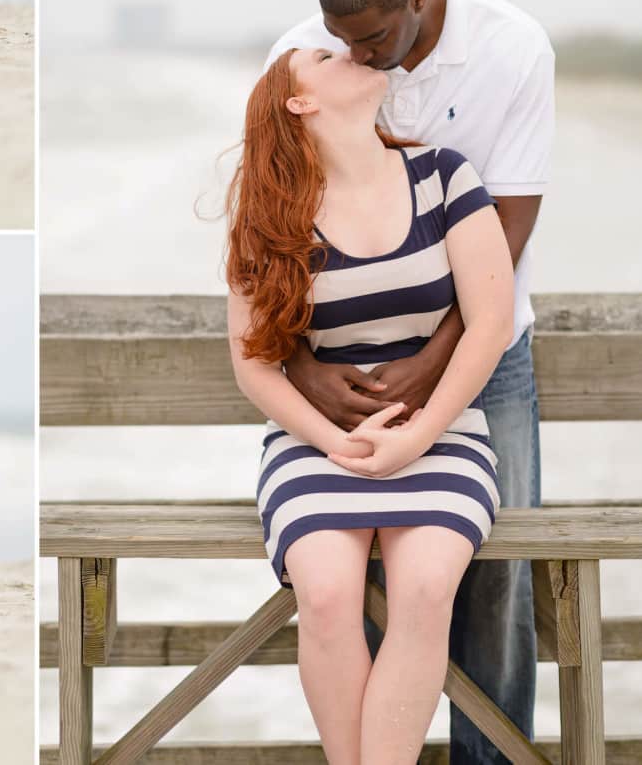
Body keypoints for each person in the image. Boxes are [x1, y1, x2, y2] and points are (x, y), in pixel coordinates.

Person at [263, 0, 554, 763]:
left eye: (372, 38)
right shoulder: (309, 55)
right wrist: (302, 367)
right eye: (338, 42)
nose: (354, 56)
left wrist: (436, 364)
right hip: (343, 379)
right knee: (345, 583)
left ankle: (490, 758)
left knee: (495, 578)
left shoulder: (512, 47)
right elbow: (277, 233)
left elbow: (508, 225)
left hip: (481, 356)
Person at [226, 45, 514, 763]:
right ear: (301, 102)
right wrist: (332, 440)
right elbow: (254, 367)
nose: (348, 52)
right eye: (322, 56)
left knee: (422, 591)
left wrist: (416, 439)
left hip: (441, 433)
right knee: (324, 595)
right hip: (315, 444)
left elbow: (491, 323)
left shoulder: (446, 177)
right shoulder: (265, 215)